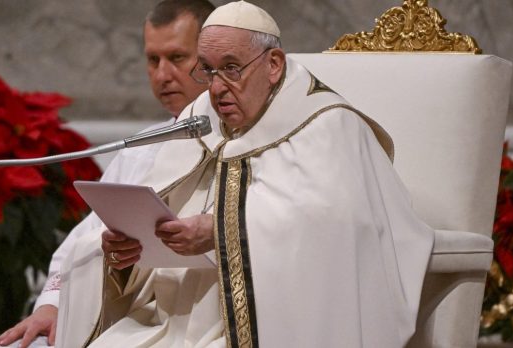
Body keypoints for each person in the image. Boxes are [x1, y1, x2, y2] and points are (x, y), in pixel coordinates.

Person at [56, 1, 435, 347]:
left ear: (273, 65)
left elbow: (342, 227)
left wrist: (220, 230)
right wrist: (127, 252)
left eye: (232, 68)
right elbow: (160, 213)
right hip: (173, 320)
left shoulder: (327, 124)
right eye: (207, 70)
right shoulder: (200, 118)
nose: (217, 87)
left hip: (274, 323)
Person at [0, 1, 215, 347]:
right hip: (133, 312)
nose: (162, 75)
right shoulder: (141, 148)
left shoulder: (244, 143)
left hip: (204, 313)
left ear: (210, 60)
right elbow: (89, 237)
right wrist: (53, 304)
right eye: (153, 60)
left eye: (177, 58)